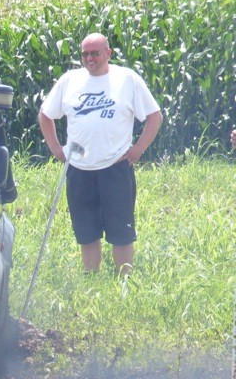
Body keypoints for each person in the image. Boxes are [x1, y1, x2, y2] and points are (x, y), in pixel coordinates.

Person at [39, 32, 163, 275]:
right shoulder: (69, 80)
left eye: (95, 53)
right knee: (86, 231)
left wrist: (138, 149)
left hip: (115, 167)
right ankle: (90, 278)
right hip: (79, 169)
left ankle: (125, 281)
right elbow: (46, 115)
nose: (89, 58)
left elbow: (154, 116)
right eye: (85, 54)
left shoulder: (127, 79)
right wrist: (56, 149)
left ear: (108, 53)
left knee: (121, 230)